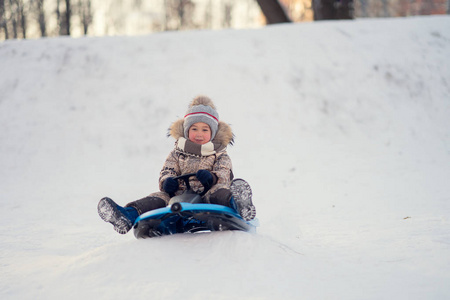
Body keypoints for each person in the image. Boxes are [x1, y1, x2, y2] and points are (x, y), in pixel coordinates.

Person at [98, 95, 256, 234]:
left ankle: (239, 205)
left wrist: (211, 178)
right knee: (157, 198)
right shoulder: (177, 153)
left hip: (208, 195)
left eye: (204, 129)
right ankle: (126, 216)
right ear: (187, 131)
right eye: (194, 129)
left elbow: (224, 172)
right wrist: (168, 181)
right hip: (179, 197)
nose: (199, 134)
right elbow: (167, 170)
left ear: (213, 133)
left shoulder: (219, 153)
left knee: (220, 192)